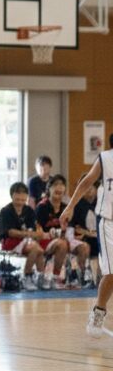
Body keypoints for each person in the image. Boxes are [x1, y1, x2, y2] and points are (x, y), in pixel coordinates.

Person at [60, 138, 113, 337]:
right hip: (108, 222)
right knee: (111, 273)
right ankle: (98, 311)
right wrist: (69, 207)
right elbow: (86, 182)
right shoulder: (105, 158)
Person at [35, 175, 86, 288]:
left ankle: (77, 277)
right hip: (45, 242)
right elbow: (38, 232)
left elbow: (71, 228)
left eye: (62, 185)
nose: (59, 187)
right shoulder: (41, 207)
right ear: (49, 189)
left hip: (64, 239)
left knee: (84, 247)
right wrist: (54, 234)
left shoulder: (66, 208)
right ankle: (55, 277)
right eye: (55, 185)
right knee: (61, 244)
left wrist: (77, 234)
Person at [0, 182, 46, 291]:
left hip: (26, 241)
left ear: (26, 197)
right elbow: (10, 232)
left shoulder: (29, 211)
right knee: (36, 248)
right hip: (9, 242)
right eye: (17, 199)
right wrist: (28, 234)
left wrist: (32, 234)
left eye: (23, 200)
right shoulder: (5, 211)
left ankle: (40, 276)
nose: (20, 202)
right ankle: (27, 276)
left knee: (39, 250)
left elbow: (34, 229)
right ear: (12, 196)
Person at [68, 172, 99, 285]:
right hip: (82, 238)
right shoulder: (76, 204)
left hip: (98, 236)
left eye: (92, 185)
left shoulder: (102, 203)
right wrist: (72, 239)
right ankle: (82, 274)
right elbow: (72, 226)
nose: (89, 189)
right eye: (86, 186)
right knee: (85, 246)